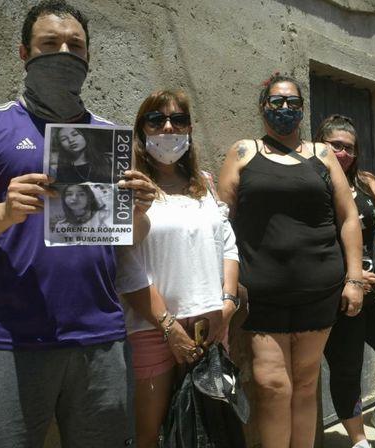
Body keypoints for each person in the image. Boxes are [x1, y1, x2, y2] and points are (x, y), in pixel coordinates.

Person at [0, 2, 156, 446]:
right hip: (11, 340)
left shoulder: (109, 139)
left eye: (75, 46)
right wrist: (4, 212)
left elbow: (128, 238)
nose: (64, 54)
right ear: (24, 53)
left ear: (88, 59)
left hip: (101, 338)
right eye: (50, 45)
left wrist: (142, 213)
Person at [217, 74, 364, 447]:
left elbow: (348, 218)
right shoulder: (242, 152)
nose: (285, 109)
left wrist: (354, 278)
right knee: (271, 385)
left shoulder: (323, 154)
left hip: (321, 290)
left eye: (293, 103)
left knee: (305, 383)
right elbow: (220, 221)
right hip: (262, 294)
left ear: (302, 109)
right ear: (263, 105)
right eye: (277, 101)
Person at [115, 89, 240, 448]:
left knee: (206, 426)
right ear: (141, 131)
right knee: (149, 434)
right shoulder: (131, 187)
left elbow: (228, 245)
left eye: (179, 120)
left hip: (211, 324)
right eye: (157, 120)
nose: (168, 127)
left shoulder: (205, 183)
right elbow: (127, 266)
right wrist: (170, 328)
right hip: (154, 326)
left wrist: (227, 305)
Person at [314, 115, 375, 447]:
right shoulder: (311, 182)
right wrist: (349, 276)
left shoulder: (367, 182)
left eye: (349, 148)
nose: (343, 153)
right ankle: (358, 439)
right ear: (320, 145)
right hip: (340, 296)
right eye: (335, 146)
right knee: (346, 369)